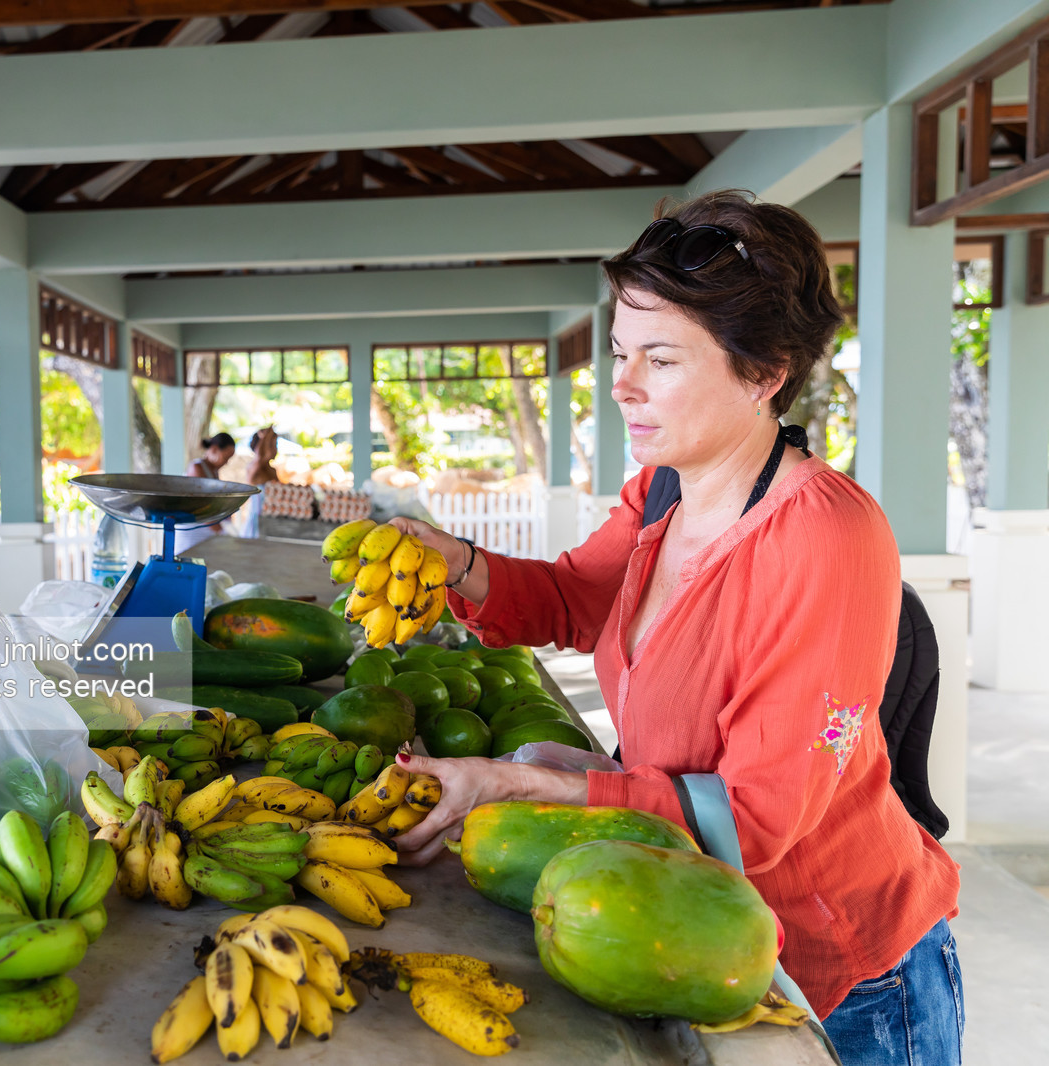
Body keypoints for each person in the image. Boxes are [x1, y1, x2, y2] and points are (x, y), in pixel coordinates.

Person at [387, 191, 963, 1065]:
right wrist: (450, 561)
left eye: (659, 358)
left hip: (842, 972)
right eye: (622, 353)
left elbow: (757, 818)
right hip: (699, 919)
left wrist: (524, 788)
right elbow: (572, 600)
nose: (621, 384)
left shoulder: (824, 537)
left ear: (765, 371)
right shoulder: (664, 490)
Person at [175, 432, 236, 554]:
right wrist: (222, 532)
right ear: (214, 449)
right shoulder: (197, 468)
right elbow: (203, 507)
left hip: (207, 528)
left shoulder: (213, 471)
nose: (226, 462)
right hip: (193, 529)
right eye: (225, 457)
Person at [240, 427, 280, 538]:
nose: (276, 449)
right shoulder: (253, 469)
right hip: (256, 526)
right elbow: (260, 457)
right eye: (273, 445)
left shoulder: (272, 471)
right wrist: (265, 437)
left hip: (272, 524)